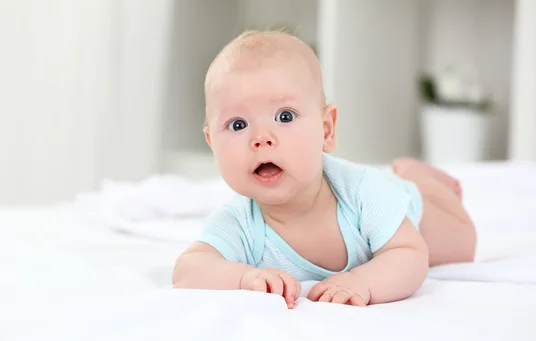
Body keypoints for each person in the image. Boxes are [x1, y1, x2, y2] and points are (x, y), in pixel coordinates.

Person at [171, 30, 477, 309]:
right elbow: (188, 269)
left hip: (414, 209)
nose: (261, 138)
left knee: (462, 245)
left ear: (326, 129)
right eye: (238, 124)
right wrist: (242, 279)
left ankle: (418, 176)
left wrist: (363, 282)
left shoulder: (361, 191)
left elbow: (411, 254)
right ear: (212, 143)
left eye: (285, 116)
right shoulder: (239, 222)